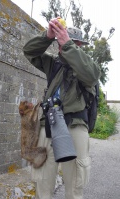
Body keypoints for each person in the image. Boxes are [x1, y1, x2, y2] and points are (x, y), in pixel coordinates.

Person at [23, 17, 101, 199]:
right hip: (48, 125)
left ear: (79, 45)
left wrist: (67, 45)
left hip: (75, 125)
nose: (63, 46)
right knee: (42, 183)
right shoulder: (53, 63)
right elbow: (29, 51)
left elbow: (92, 75)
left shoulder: (86, 65)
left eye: (72, 42)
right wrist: (48, 36)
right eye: (62, 41)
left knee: (74, 188)